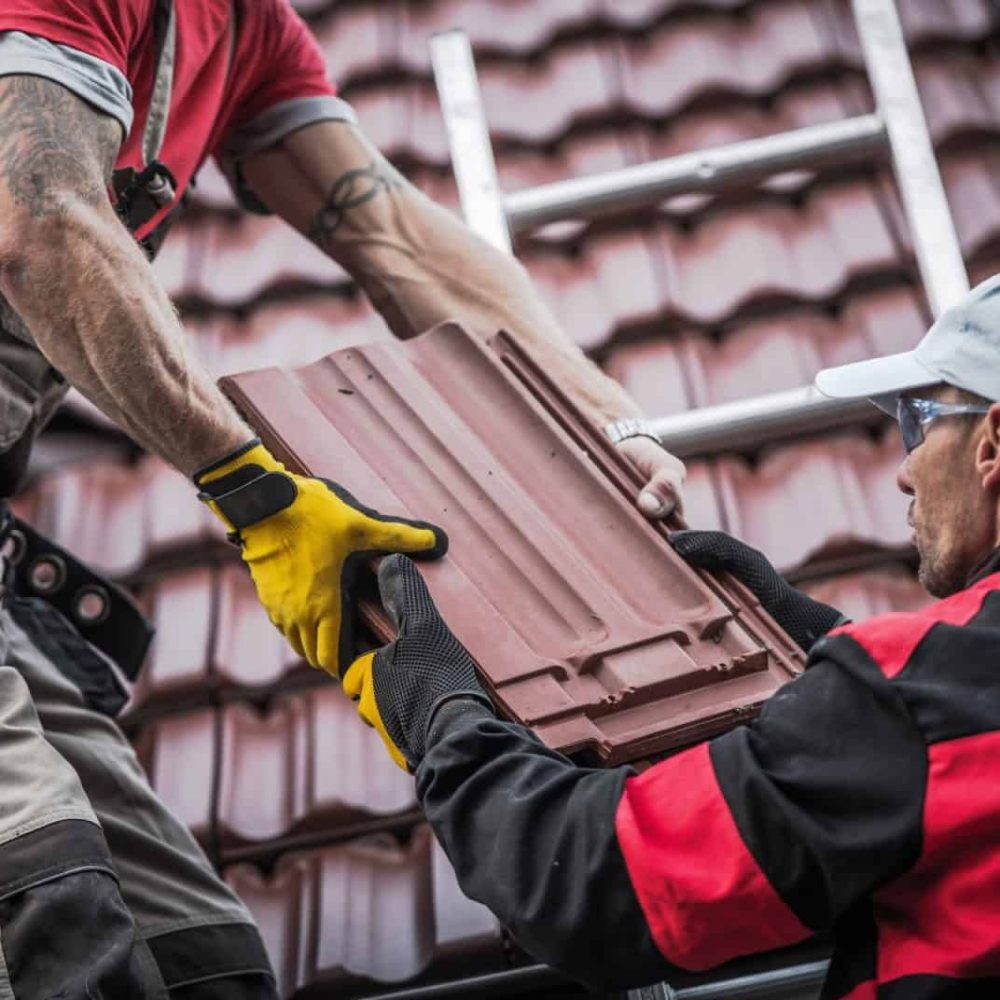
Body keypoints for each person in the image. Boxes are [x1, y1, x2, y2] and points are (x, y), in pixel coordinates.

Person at [0, 0, 687, 995]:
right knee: (48, 906)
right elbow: (40, 217)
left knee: (198, 958)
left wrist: (602, 418)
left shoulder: (248, 33)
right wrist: (259, 493)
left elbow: (391, 231)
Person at [346, 274, 1000, 997]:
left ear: (991, 444)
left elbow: (594, 885)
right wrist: (822, 641)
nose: (906, 471)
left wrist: (443, 716)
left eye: (921, 420)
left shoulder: (918, 705)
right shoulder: (936, 700)